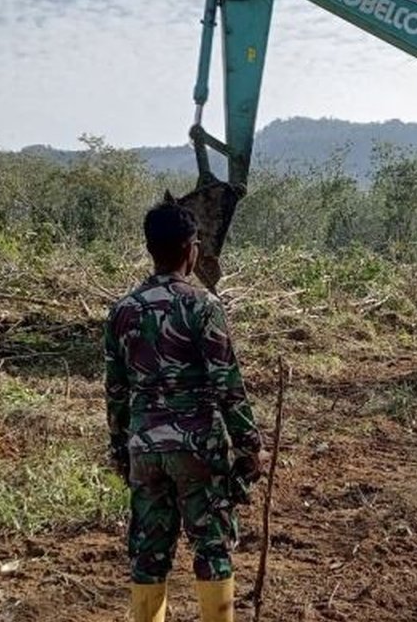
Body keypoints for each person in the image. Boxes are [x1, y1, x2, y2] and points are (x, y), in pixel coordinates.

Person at [104, 197, 263, 622]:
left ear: (150, 248)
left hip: (144, 450)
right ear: (192, 248)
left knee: (148, 552)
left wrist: (121, 448)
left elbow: (116, 391)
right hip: (198, 448)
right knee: (212, 548)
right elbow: (227, 383)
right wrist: (249, 445)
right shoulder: (202, 305)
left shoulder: (123, 310)